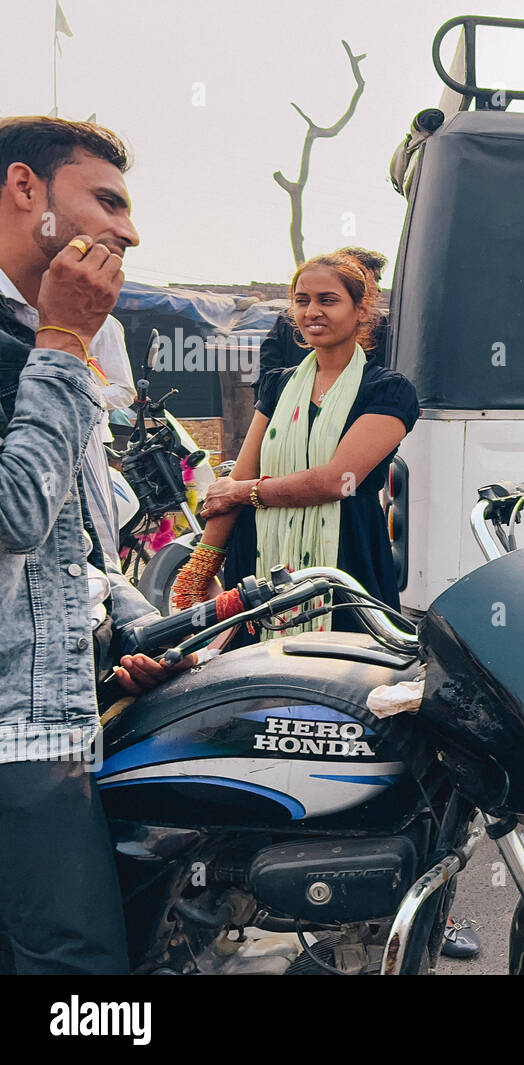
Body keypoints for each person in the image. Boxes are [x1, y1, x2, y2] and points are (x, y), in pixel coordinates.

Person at [171, 251, 480, 958]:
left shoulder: (391, 390)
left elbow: (339, 478)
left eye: (328, 301)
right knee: (275, 726)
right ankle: (282, 884)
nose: (312, 312)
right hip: (269, 582)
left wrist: (239, 493)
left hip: (348, 581)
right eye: (301, 300)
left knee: (386, 742)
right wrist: (202, 561)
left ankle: (426, 901)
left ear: (361, 310)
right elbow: (240, 478)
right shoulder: (281, 383)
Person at [0, 116, 193, 974]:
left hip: (73, 704)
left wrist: (139, 626)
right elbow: (13, 513)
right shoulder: (56, 339)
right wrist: (68, 341)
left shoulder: (45, 335)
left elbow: (76, 544)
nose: (128, 229)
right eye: (107, 201)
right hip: (16, 737)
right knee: (78, 976)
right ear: (24, 190)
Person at [255, 246, 390, 383]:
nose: (377, 288)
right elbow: (267, 374)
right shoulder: (289, 320)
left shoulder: (389, 387)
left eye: (328, 300)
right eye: (374, 279)